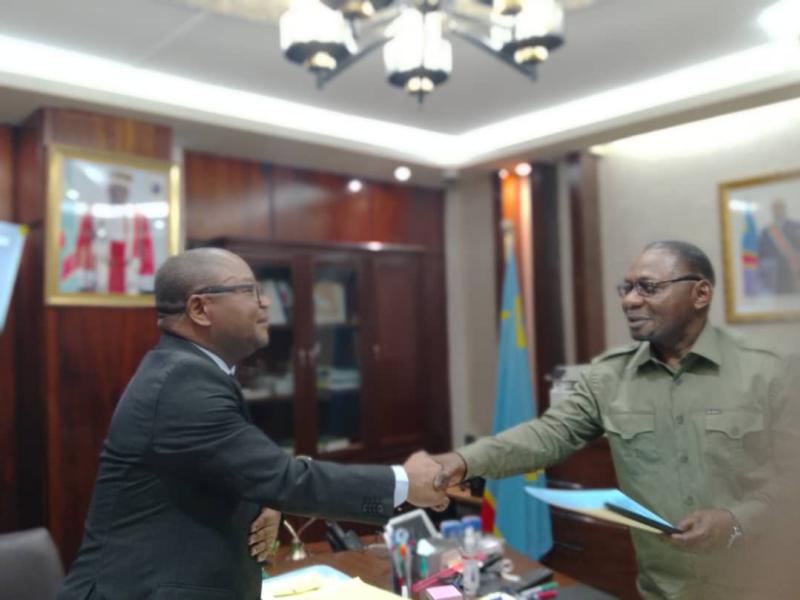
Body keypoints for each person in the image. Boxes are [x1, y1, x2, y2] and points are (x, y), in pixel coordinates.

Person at [58, 248, 447, 600]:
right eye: (248, 291)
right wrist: (405, 482)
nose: (265, 303)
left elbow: (228, 466)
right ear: (199, 309)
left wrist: (261, 497)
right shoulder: (183, 383)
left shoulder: (192, 370)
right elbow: (283, 478)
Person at [433, 241, 796, 599]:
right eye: (627, 288)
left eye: (648, 288)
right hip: (664, 588)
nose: (630, 300)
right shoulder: (610, 376)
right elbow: (547, 434)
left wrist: (736, 520)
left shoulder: (767, 370)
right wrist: (461, 462)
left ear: (700, 293)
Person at [758, 199, 800, 294]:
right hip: (776, 274)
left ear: (784, 209)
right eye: (775, 208)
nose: (778, 210)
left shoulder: (796, 226)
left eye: (780, 208)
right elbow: (762, 253)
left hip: (794, 271)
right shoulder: (766, 231)